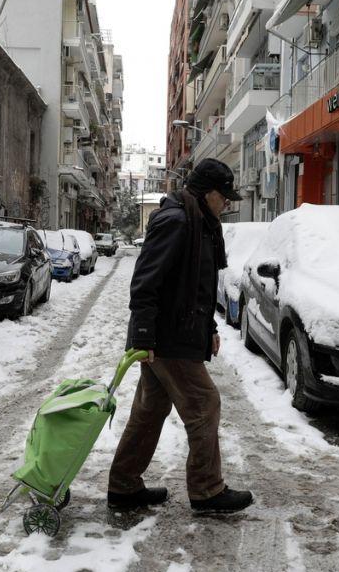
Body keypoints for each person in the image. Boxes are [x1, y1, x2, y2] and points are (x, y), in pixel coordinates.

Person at [107, 158, 254, 514]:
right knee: (205, 404)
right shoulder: (176, 222)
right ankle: (206, 490)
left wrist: (212, 328)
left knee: (150, 409)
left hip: (174, 334)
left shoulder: (200, 222)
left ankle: (124, 486)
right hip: (167, 339)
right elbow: (145, 281)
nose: (228, 203)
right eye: (224, 196)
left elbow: (196, 288)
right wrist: (144, 337)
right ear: (207, 193)